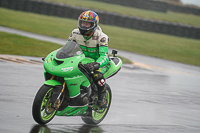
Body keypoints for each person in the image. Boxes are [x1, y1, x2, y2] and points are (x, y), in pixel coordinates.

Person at [68, 10, 110, 107]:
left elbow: (104, 56)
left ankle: (102, 99)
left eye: (87, 24)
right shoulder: (75, 33)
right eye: (83, 22)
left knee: (97, 76)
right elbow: (67, 48)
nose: (84, 26)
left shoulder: (102, 37)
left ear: (94, 24)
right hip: (80, 60)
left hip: (98, 63)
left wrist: (96, 64)